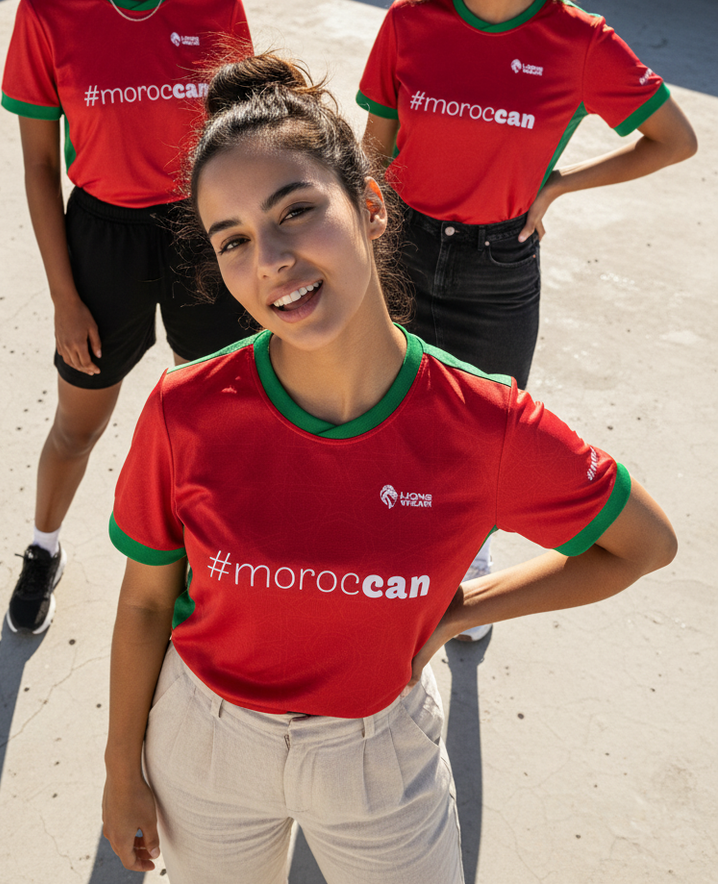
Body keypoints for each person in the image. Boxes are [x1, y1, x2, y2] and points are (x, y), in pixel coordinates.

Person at [102, 53, 676, 883]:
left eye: (296, 211)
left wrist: (457, 612)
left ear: (371, 206)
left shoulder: (486, 425)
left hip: (378, 755)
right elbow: (147, 597)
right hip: (205, 746)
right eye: (235, 240)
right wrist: (124, 769)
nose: (271, 260)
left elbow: (642, 545)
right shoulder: (184, 409)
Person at [357, 0, 696, 638]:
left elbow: (674, 139)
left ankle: (462, 571)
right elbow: (373, 149)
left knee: (482, 436)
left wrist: (564, 184)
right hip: (398, 248)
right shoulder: (410, 23)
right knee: (381, 412)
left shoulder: (579, 43)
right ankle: (376, 550)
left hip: (496, 272)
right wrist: (364, 231)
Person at [0, 0, 253, 635]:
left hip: (198, 234)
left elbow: (240, 145)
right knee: (79, 423)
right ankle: (42, 544)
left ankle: (213, 565)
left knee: (219, 420)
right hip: (99, 236)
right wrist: (65, 297)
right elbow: (40, 167)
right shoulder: (47, 11)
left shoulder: (218, 7)